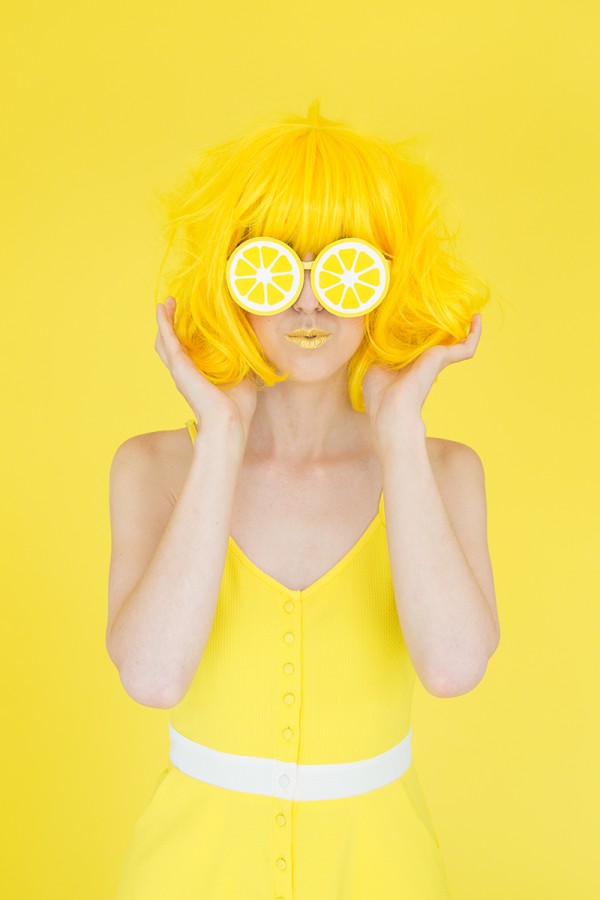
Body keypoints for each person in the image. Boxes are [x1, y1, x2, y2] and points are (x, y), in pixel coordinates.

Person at [107, 100, 500, 899]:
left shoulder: (444, 471)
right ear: (230, 281)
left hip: (385, 872)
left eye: (345, 263)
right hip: (185, 874)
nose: (310, 299)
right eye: (275, 264)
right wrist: (221, 433)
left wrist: (399, 431)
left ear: (389, 278)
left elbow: (455, 667)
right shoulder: (153, 466)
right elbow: (152, 678)